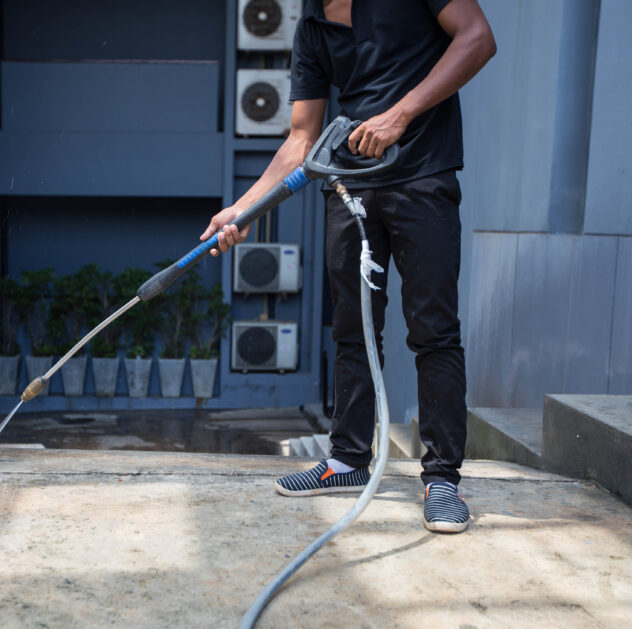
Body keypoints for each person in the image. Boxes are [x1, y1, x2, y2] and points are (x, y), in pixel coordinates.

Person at [202, 0, 495, 533]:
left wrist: (401, 114)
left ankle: (442, 478)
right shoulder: (310, 26)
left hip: (422, 177)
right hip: (347, 185)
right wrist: (242, 210)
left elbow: (477, 39)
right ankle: (347, 461)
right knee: (353, 330)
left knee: (433, 330)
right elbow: (300, 139)